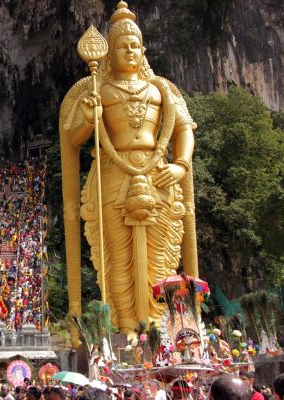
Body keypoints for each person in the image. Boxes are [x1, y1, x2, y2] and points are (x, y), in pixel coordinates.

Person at [60, 0, 198, 337]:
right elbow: (72, 137)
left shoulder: (161, 88)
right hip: (113, 173)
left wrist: (180, 165)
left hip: (158, 173)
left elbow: (184, 130)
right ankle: (126, 328)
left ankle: (161, 326)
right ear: (109, 53)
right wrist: (89, 118)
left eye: (135, 45)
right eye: (122, 46)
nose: (130, 51)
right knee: (117, 257)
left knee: (161, 253)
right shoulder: (98, 89)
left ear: (144, 49)